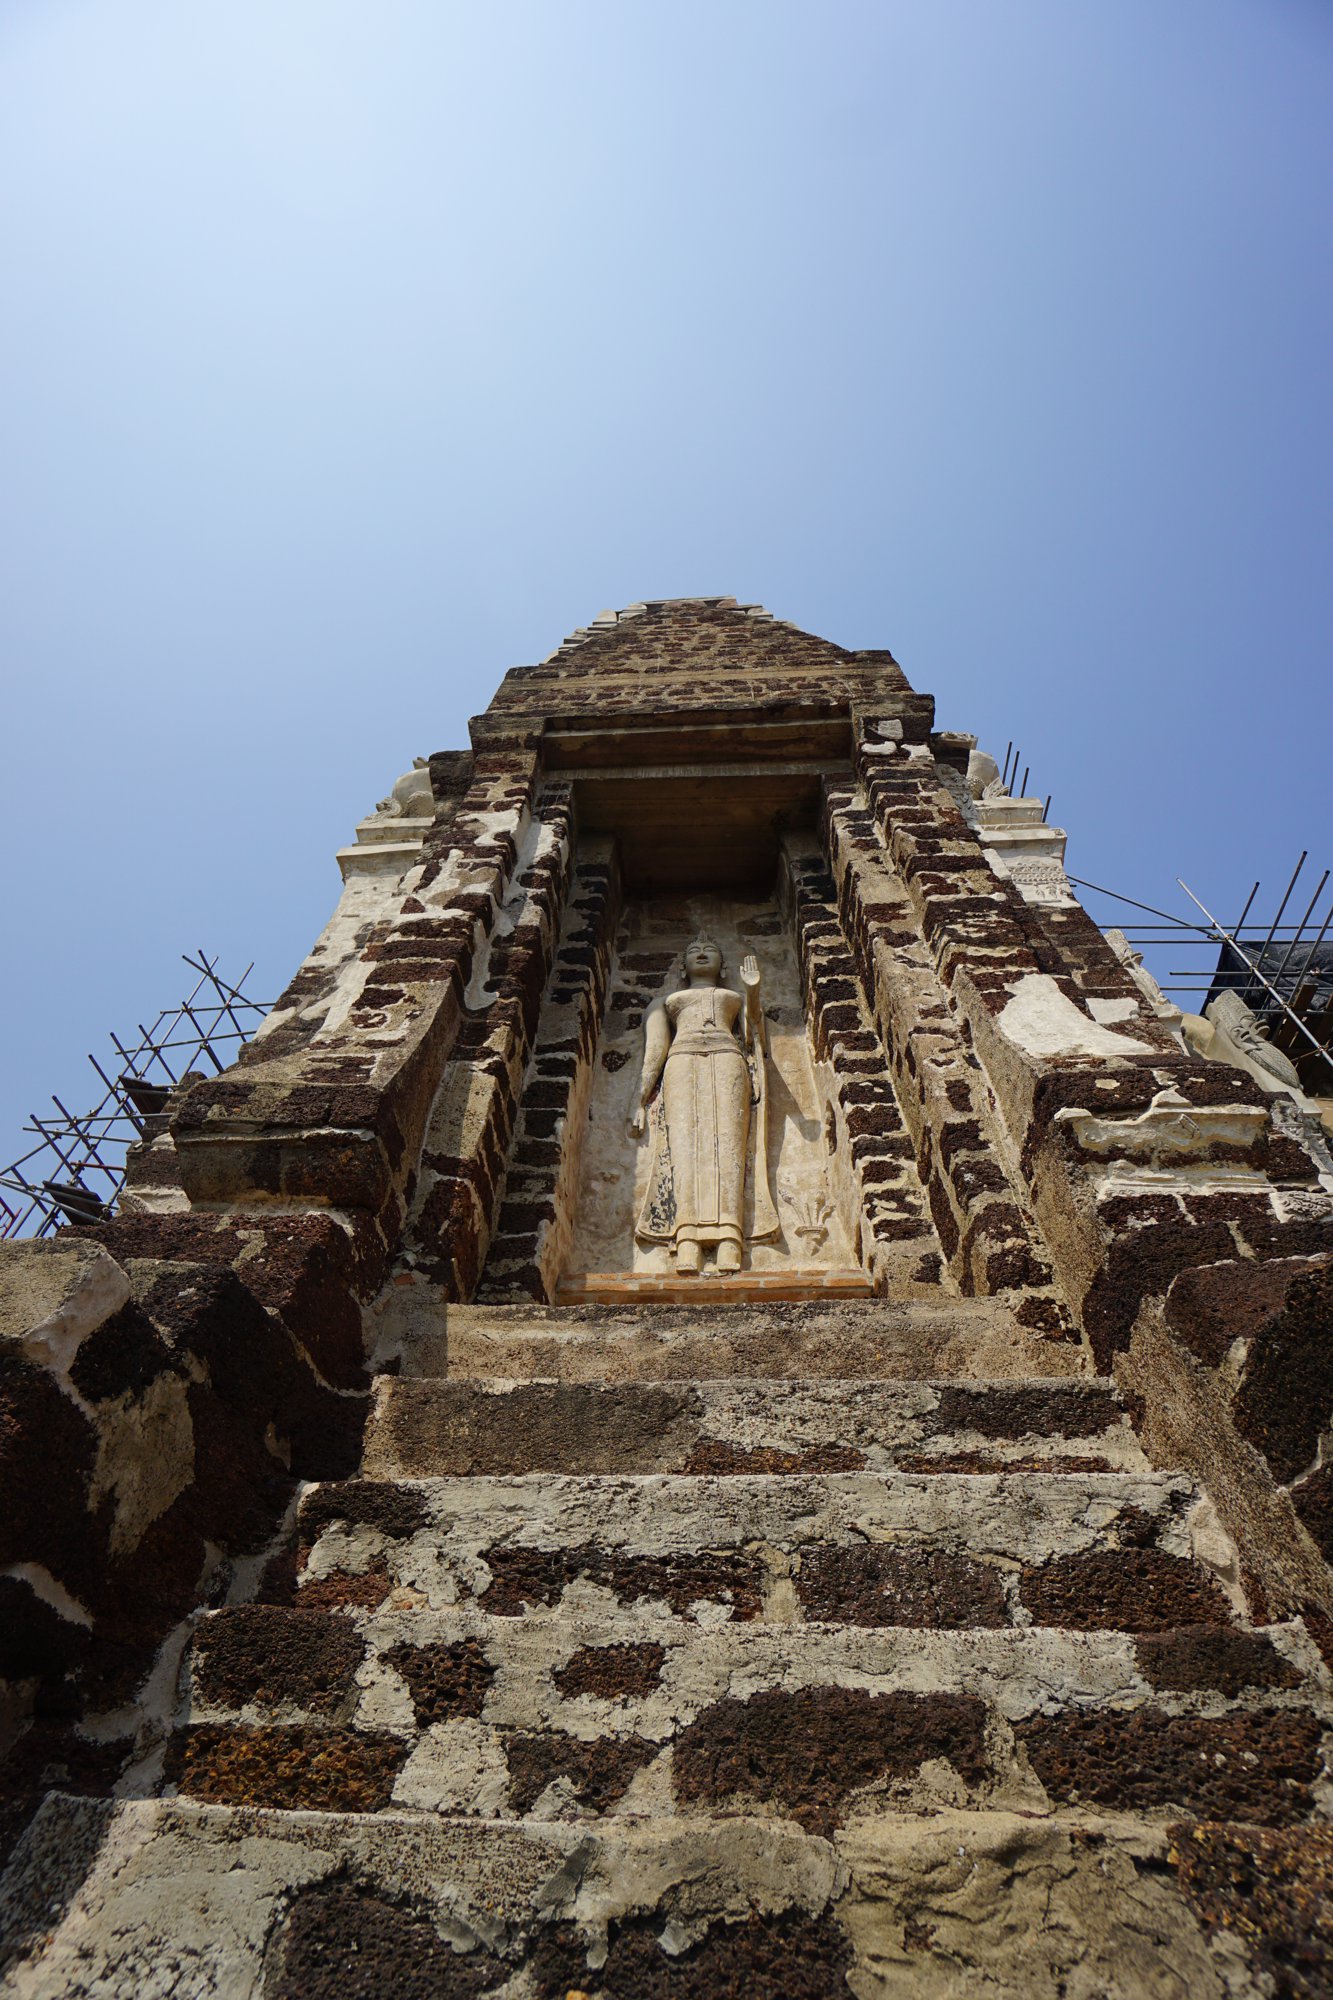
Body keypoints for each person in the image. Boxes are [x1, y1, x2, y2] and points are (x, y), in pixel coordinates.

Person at [630, 933, 778, 1272]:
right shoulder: (666, 1002)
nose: (700, 952)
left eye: (709, 949)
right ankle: (687, 1242)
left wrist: (752, 991)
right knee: (684, 1150)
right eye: (693, 950)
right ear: (682, 966)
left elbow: (753, 1036)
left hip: (727, 1060)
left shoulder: (734, 996)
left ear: (723, 964)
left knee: (730, 1149)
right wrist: (639, 1101)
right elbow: (655, 1052)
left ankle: (730, 1240)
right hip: (681, 1063)